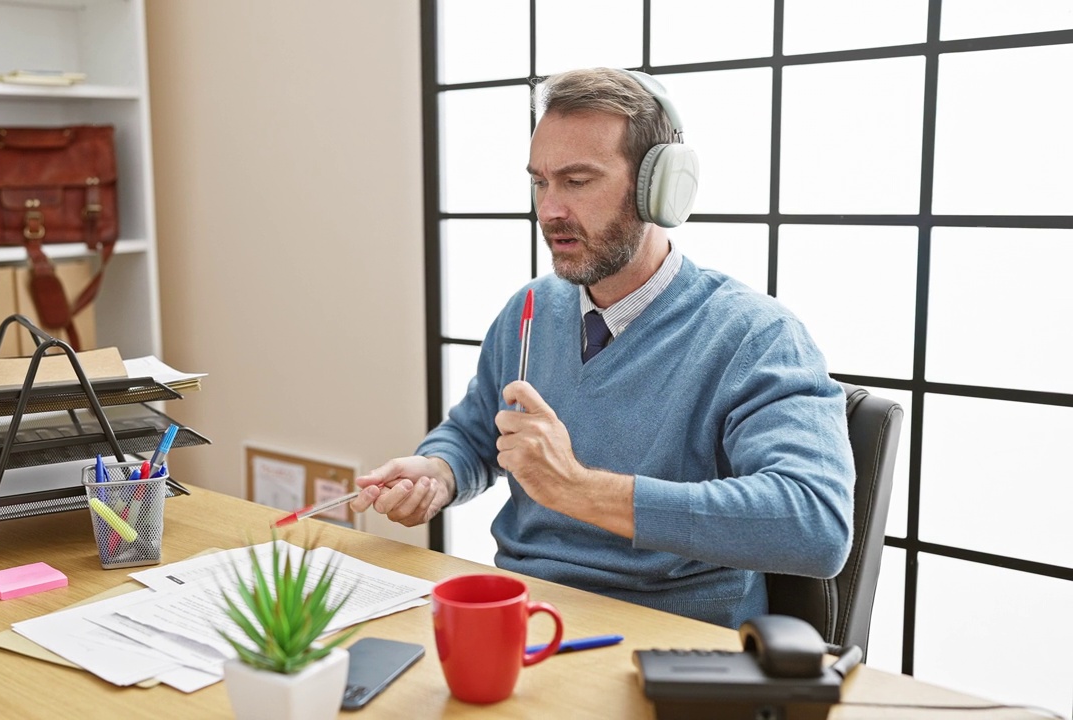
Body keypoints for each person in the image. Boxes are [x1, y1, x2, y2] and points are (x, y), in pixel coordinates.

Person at [350, 67, 855, 628]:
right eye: (541, 182)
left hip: (664, 639)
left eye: (578, 181)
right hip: (525, 616)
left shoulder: (753, 335)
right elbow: (475, 434)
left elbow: (815, 523)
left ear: (657, 188)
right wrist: (437, 470)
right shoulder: (530, 311)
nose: (548, 210)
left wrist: (580, 489)